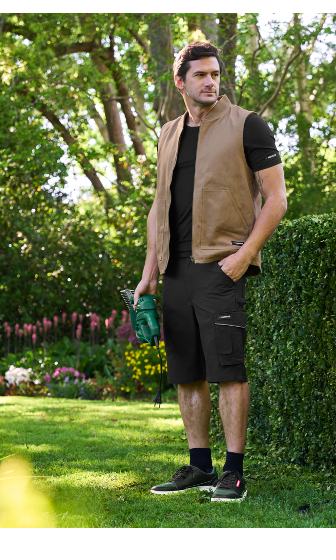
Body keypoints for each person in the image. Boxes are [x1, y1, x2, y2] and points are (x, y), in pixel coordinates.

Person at [133, 41, 287, 502]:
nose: (210, 82)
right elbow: (159, 208)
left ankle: (233, 472)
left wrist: (245, 256)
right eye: (199, 75)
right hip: (174, 270)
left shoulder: (247, 126)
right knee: (187, 372)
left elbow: (276, 199)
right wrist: (149, 273)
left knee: (228, 370)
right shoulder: (168, 134)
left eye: (215, 75)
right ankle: (199, 465)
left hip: (222, 265)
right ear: (180, 82)